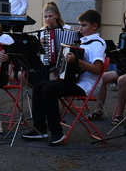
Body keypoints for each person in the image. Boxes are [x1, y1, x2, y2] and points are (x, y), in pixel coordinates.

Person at [22, 10, 106, 146]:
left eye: (84, 25)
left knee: (49, 90)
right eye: (80, 25)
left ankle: (57, 132)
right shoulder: (84, 42)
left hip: (86, 86)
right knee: (38, 87)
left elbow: (97, 69)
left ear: (94, 26)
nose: (80, 28)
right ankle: (40, 129)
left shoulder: (97, 44)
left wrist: (75, 61)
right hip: (76, 81)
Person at [21, 1, 72, 88]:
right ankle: (39, 91)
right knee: (22, 75)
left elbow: (72, 46)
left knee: (52, 74)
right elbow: (35, 52)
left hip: (62, 63)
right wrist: (39, 43)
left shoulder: (66, 29)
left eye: (50, 16)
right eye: (45, 17)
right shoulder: (42, 31)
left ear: (56, 16)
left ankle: (46, 92)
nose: (48, 19)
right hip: (46, 63)